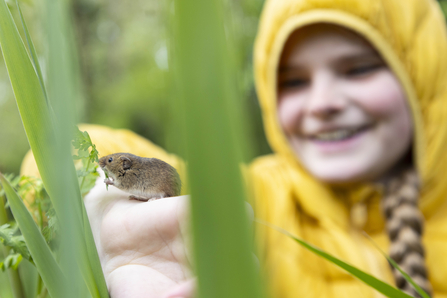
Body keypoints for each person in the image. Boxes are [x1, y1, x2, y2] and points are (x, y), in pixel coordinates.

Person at [20, 0, 447, 297]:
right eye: (294, 81)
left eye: (358, 69)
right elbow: (54, 155)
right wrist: (100, 208)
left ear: (425, 76)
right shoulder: (258, 198)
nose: (323, 103)